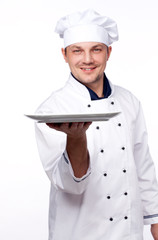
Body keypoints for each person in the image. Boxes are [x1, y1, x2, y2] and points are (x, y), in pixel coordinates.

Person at [35, 9, 158, 240]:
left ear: (109, 52)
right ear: (65, 54)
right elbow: (69, 184)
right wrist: (76, 139)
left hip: (128, 232)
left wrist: (154, 218)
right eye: (77, 51)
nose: (88, 59)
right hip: (78, 232)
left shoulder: (128, 101)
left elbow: (142, 165)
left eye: (96, 49)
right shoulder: (52, 110)